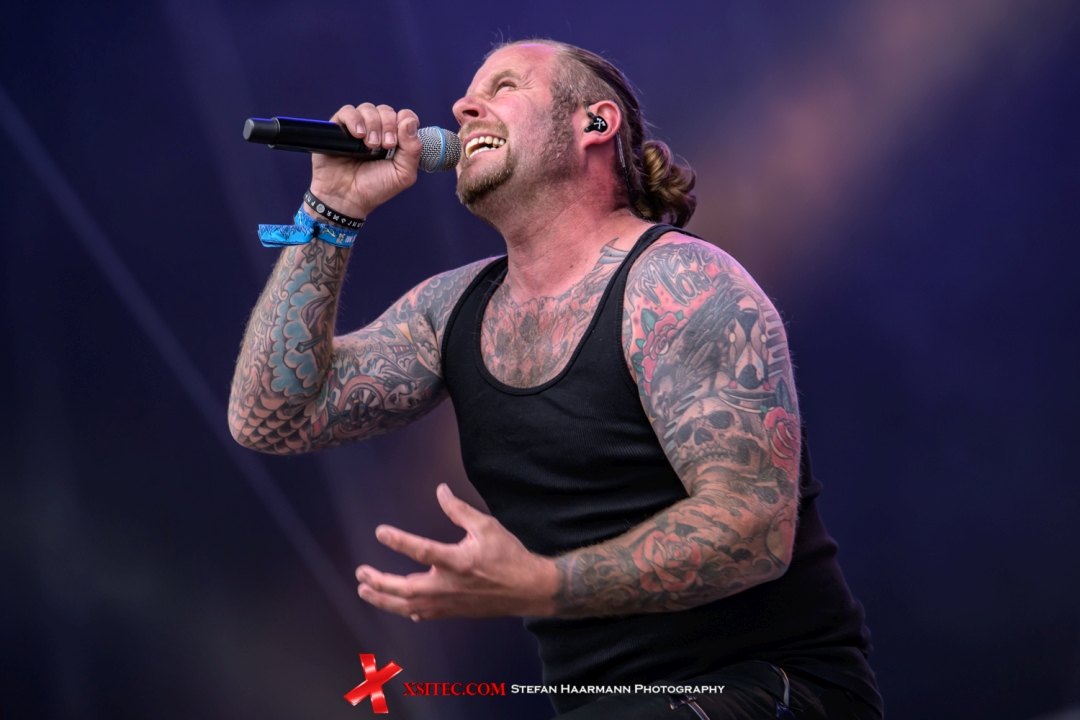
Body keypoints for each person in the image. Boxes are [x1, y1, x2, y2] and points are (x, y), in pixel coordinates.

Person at [228, 40, 882, 719]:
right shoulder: (450, 311)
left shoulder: (680, 285)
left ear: (595, 123)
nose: (463, 106)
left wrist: (545, 582)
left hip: (769, 687)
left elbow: (754, 530)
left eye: (504, 86)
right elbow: (273, 416)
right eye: (468, 93)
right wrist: (332, 207)